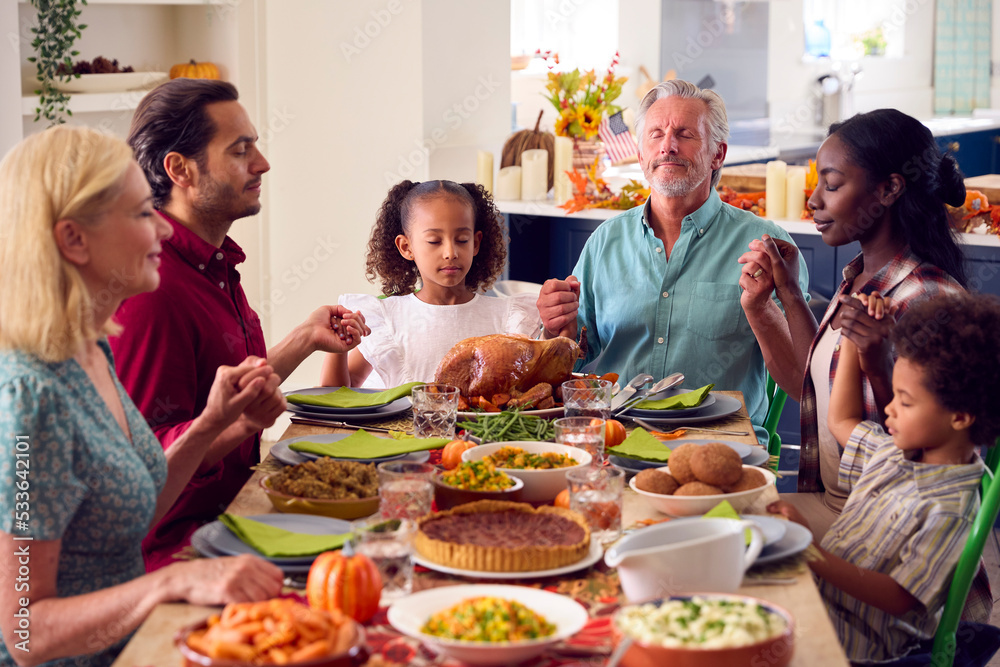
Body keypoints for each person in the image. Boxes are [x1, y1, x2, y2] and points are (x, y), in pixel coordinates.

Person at [0, 126, 285, 667]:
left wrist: (214, 424)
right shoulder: (29, 399)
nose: (161, 227)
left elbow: (128, 513)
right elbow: (23, 631)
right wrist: (170, 582)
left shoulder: (92, 350)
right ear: (73, 239)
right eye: (139, 214)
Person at [112, 79, 370, 570]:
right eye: (240, 150)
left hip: (236, 517)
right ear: (180, 169)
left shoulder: (212, 263)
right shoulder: (154, 289)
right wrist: (239, 426)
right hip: (184, 556)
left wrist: (303, 339)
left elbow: (222, 395)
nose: (262, 163)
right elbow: (142, 466)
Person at [536, 80, 809, 444]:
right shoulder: (606, 241)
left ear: (717, 154)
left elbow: (801, 381)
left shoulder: (766, 246)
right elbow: (574, 360)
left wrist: (761, 309)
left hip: (721, 443)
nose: (668, 145)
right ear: (640, 153)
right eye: (656, 134)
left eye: (685, 134)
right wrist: (557, 333)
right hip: (620, 437)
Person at [739, 108, 967, 538]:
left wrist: (876, 362)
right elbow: (817, 385)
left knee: (727, 535)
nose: (814, 200)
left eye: (833, 184)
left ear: (889, 189)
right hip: (833, 501)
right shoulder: (860, 280)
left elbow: (918, 455)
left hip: (880, 523)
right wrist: (787, 291)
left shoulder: (929, 302)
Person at [769, 292, 1000, 663]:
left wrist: (809, 549)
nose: (889, 408)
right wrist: (852, 335)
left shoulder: (951, 508)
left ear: (960, 416)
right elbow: (841, 420)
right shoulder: (894, 454)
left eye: (905, 401)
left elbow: (900, 596)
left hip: (854, 646)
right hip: (817, 603)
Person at [320, 180, 540, 388]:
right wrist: (337, 349)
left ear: (476, 243)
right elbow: (339, 394)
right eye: (434, 241)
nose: (450, 253)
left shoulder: (506, 317)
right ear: (406, 247)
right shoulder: (386, 319)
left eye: (462, 240)